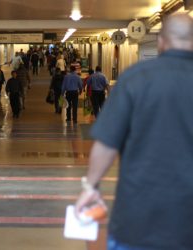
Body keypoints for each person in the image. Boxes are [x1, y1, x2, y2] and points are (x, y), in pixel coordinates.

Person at [75, 13, 193, 250]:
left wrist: (91, 188)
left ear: (160, 41)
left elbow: (106, 144)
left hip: (137, 218)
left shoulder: (135, 78)